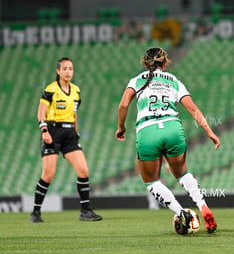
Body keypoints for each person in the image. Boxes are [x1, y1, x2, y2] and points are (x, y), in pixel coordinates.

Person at [115, 47, 220, 234]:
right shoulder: (173, 80)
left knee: (152, 182)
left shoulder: (137, 80)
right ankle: (202, 205)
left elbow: (123, 105)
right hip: (173, 128)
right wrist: (209, 132)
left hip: (148, 131)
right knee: (182, 173)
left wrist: (121, 127)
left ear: (145, 63)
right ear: (164, 64)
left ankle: (181, 213)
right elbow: (193, 109)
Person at [30, 57, 102, 223]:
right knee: (48, 174)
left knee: (83, 171)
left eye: (70, 68)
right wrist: (44, 130)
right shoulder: (51, 89)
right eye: (65, 69)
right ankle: (35, 212)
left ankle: (85, 211)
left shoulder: (76, 91)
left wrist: (76, 133)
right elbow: (41, 112)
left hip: (69, 134)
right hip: (52, 131)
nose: (68, 71)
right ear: (58, 71)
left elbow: (74, 113)